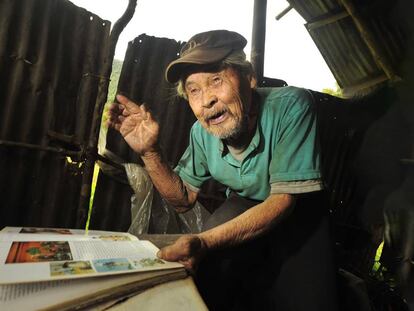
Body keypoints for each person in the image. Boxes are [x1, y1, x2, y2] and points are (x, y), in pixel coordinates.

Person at [108, 30, 338, 310]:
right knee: (208, 279)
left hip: (299, 209)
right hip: (243, 203)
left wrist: (204, 241)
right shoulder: (201, 133)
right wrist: (150, 152)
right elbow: (182, 201)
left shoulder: (292, 105)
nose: (206, 100)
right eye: (194, 90)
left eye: (216, 80)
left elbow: (284, 200)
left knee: (312, 301)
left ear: (249, 77)